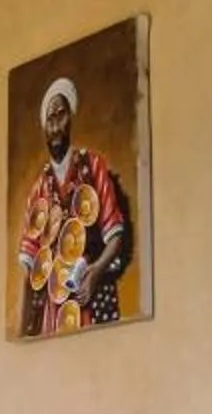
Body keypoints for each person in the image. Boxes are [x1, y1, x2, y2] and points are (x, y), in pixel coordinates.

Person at [15, 76, 133, 335]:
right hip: (51, 313)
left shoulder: (93, 166)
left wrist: (95, 272)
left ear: (71, 118)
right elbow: (27, 268)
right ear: (44, 128)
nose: (56, 125)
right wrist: (21, 333)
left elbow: (115, 235)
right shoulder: (37, 192)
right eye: (50, 118)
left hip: (90, 295)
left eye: (61, 115)